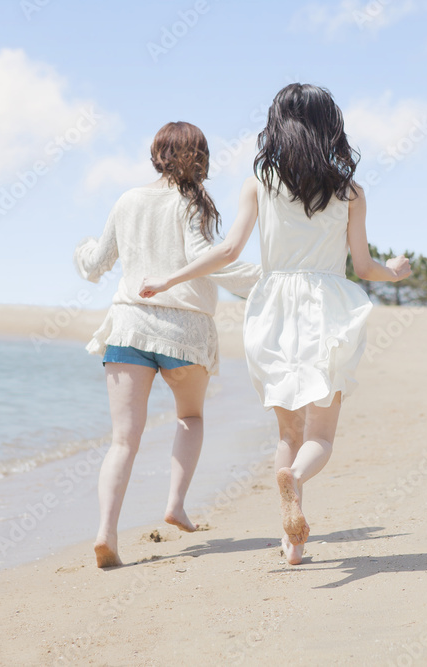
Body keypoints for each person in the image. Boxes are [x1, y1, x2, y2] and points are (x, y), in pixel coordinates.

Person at [139, 84, 411, 564]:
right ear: (331, 127)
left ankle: (293, 543)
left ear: (277, 126)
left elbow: (226, 251)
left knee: (288, 435)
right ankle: (298, 482)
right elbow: (364, 267)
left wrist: (167, 279)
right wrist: (396, 269)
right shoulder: (349, 191)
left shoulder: (258, 183)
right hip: (328, 305)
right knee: (320, 437)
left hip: (272, 308)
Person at [74, 121, 261, 568]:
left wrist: (81, 251)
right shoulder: (191, 202)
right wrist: (267, 277)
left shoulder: (127, 200)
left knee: (123, 440)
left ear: (156, 154)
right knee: (190, 417)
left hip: (129, 327)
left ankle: (106, 532)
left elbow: (97, 261)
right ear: (200, 158)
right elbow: (208, 261)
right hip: (185, 331)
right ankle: (175, 504)